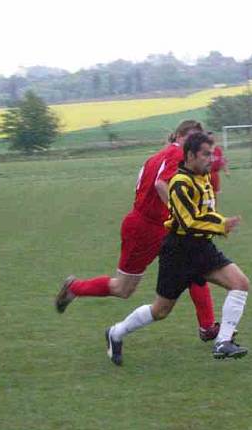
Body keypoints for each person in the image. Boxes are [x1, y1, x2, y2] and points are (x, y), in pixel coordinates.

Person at [55, 120, 220, 341]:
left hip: (160, 227)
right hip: (145, 229)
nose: (197, 145)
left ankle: (207, 327)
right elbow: (161, 184)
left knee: (194, 268)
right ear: (181, 137)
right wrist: (180, 213)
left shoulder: (160, 155)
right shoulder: (177, 154)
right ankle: (74, 288)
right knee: (123, 289)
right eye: (193, 139)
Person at [105, 132, 249, 365]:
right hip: (179, 252)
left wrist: (217, 223)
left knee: (240, 283)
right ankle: (116, 332)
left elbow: (204, 213)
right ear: (190, 155)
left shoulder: (203, 178)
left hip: (203, 249)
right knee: (160, 310)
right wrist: (221, 225)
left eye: (212, 154)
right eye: (205, 154)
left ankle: (223, 342)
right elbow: (187, 221)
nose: (210, 159)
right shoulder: (180, 183)